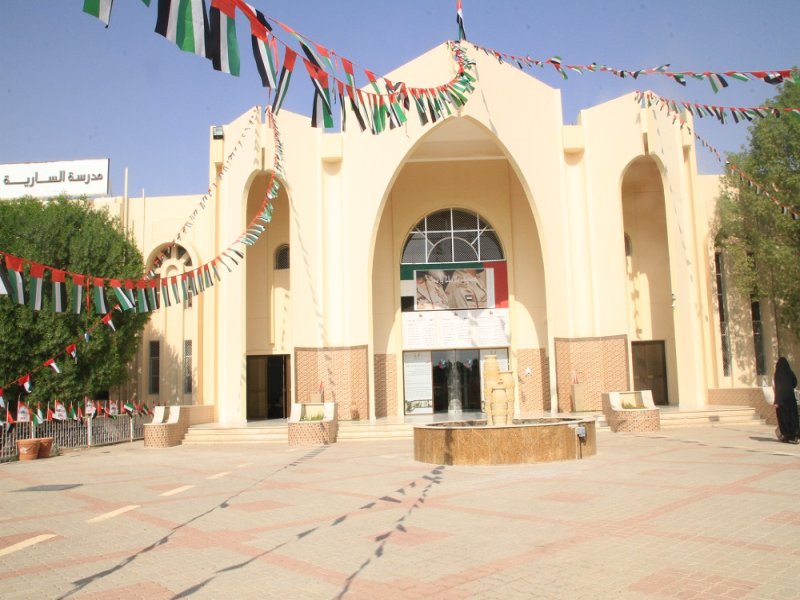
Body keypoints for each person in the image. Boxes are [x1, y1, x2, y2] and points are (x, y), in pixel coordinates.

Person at [773, 357, 799, 444]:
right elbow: (795, 383)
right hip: (791, 400)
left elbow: (778, 388)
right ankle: (795, 435)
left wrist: (777, 401)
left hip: (782, 401)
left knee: (784, 419)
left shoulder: (778, 374)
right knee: (792, 417)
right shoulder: (790, 373)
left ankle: (787, 436)